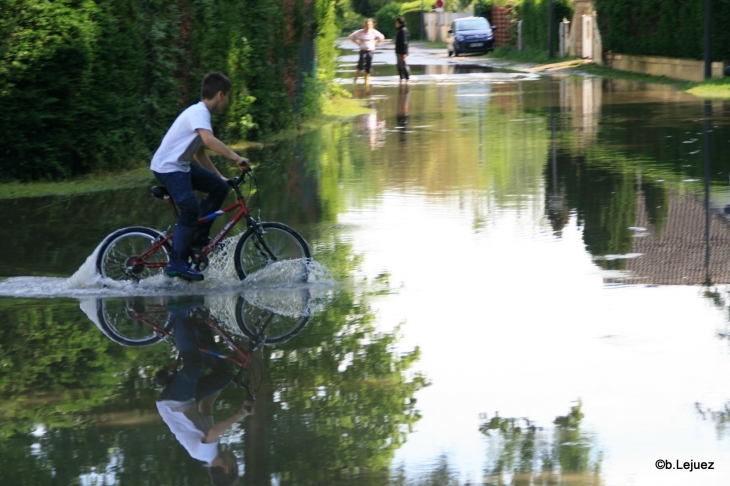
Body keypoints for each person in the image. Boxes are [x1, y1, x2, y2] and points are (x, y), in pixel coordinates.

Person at [150, 72, 250, 281]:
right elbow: (210, 141)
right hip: (168, 167)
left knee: (219, 188)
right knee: (190, 208)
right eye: (228, 96)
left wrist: (220, 177)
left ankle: (197, 237)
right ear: (220, 95)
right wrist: (236, 157)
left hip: (180, 166)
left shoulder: (200, 115)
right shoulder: (199, 112)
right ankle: (176, 262)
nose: (228, 102)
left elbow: (199, 152)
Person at [156, 297, 254, 486]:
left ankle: (179, 315)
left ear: (228, 469)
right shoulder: (208, 449)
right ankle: (199, 327)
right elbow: (205, 406)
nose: (236, 460)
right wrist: (222, 384)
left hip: (173, 401)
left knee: (194, 365)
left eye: (236, 466)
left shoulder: (207, 453)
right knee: (224, 375)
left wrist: (242, 413)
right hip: (186, 400)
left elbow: (216, 430)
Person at [349, 19, 385, 84]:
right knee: (360, 66)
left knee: (368, 66)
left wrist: (376, 43)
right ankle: (355, 79)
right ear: (364, 25)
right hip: (362, 50)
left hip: (370, 50)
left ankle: (366, 81)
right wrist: (357, 43)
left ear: (372, 25)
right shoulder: (360, 32)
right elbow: (351, 37)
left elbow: (382, 37)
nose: (368, 26)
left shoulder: (374, 32)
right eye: (367, 24)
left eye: (369, 25)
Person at [394, 16, 410, 84]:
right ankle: (401, 78)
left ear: (398, 22)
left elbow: (404, 42)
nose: (395, 24)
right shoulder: (400, 29)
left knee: (403, 65)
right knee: (400, 65)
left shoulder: (403, 30)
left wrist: (404, 53)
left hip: (402, 51)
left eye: (396, 22)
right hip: (399, 51)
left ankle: (407, 79)